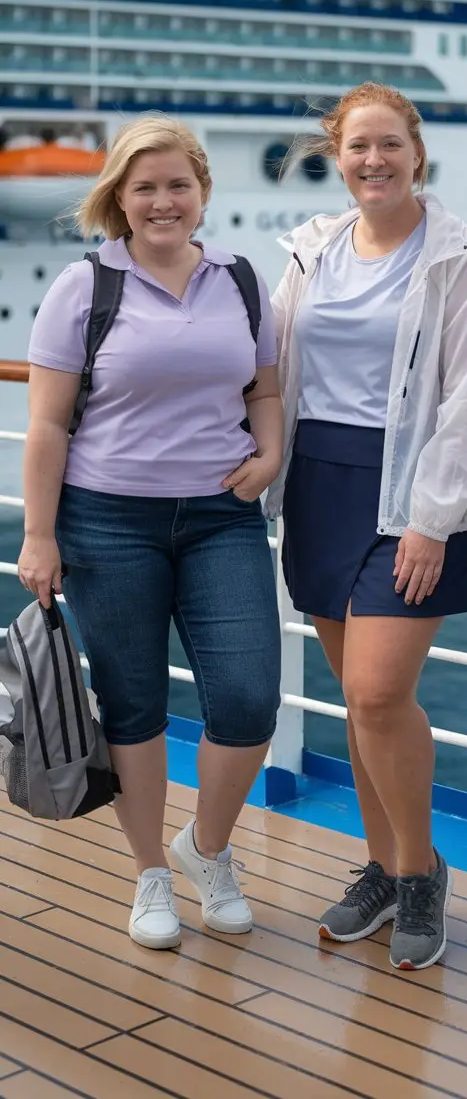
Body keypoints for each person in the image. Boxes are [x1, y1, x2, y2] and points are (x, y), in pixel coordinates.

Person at [19, 115, 283, 951]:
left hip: (222, 518)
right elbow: (48, 427)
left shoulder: (240, 279)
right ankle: (150, 876)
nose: (164, 201)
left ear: (202, 190)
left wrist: (270, 452)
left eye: (178, 184)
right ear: (119, 199)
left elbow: (265, 390)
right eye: (145, 188)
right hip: (107, 521)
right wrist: (39, 534)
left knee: (247, 700)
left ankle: (206, 850)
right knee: (132, 706)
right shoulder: (84, 286)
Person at [264, 82, 467, 972]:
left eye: (390, 144)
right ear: (339, 153)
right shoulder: (312, 252)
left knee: (375, 693)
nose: (375, 160)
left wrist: (432, 520)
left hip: (410, 495)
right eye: (358, 146)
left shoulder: (459, 255)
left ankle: (421, 873)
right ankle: (381, 864)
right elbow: (274, 365)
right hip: (320, 487)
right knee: (357, 703)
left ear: (417, 151)